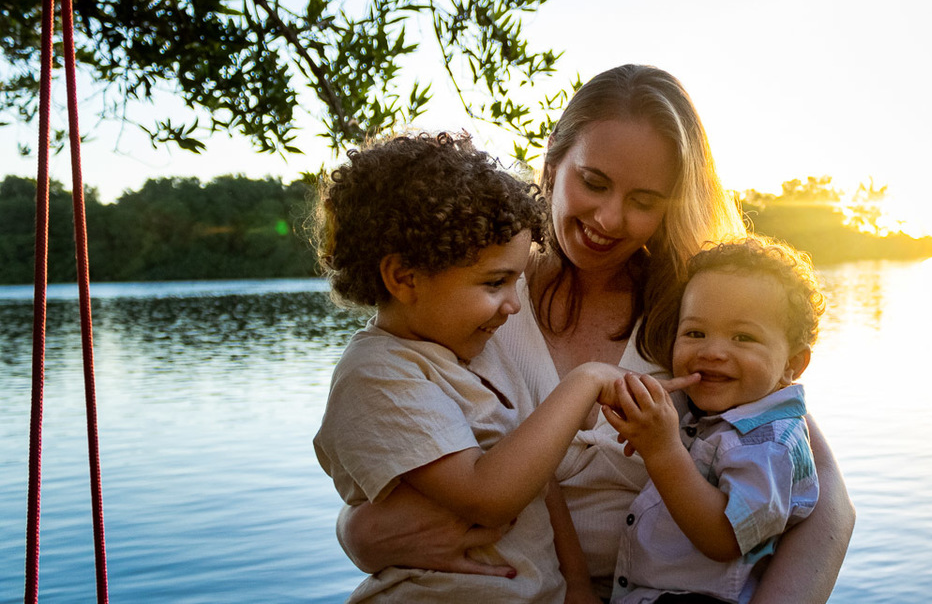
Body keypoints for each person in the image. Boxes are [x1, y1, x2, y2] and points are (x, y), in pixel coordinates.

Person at [338, 65, 856, 602]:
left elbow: (822, 497)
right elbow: (399, 447)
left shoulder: (700, 318)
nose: (610, 219)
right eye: (594, 182)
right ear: (553, 160)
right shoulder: (472, 299)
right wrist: (358, 531)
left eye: (644, 201)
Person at [311, 131, 697, 602]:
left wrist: (575, 586)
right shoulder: (378, 373)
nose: (514, 305)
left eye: (517, 280)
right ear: (404, 278)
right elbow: (487, 497)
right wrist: (587, 380)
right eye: (495, 283)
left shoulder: (473, 354)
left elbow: (541, 478)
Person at [603, 237, 826, 604]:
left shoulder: (771, 442)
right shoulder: (711, 414)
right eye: (695, 333)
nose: (713, 352)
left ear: (793, 365)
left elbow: (725, 537)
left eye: (743, 337)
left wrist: (662, 449)